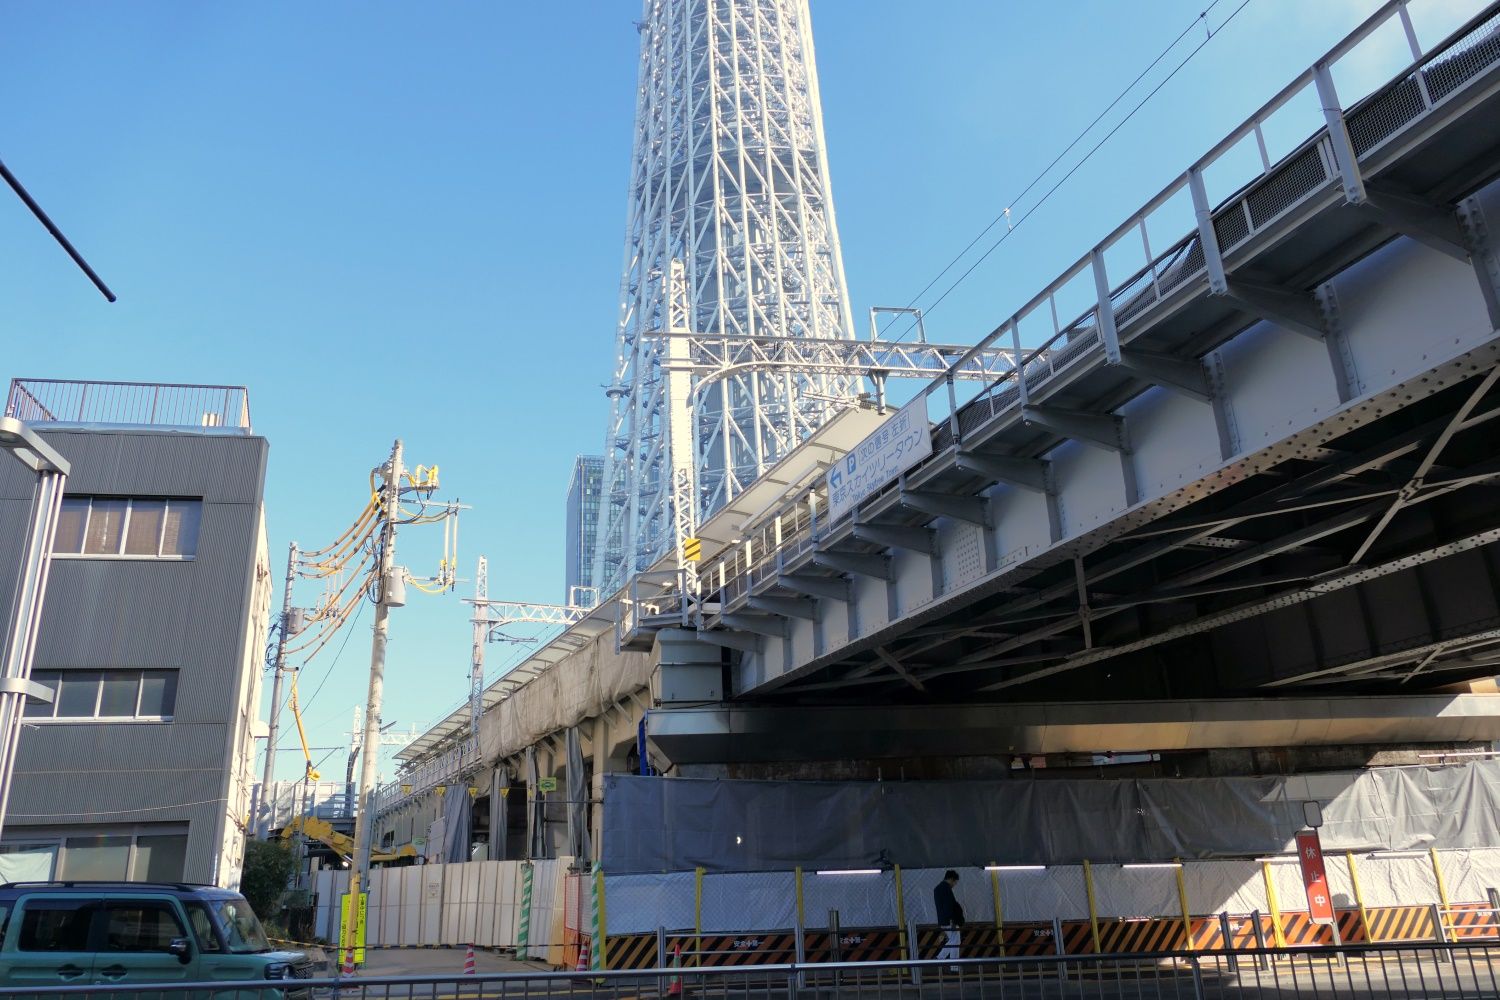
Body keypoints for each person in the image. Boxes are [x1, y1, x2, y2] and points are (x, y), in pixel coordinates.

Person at [933, 869, 964, 970]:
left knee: (955, 940)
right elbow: (949, 905)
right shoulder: (946, 888)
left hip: (942, 919)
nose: (954, 884)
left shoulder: (937, 888)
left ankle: (942, 959)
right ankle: (951, 966)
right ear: (951, 879)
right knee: (955, 941)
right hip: (949, 920)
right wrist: (953, 920)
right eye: (954, 882)